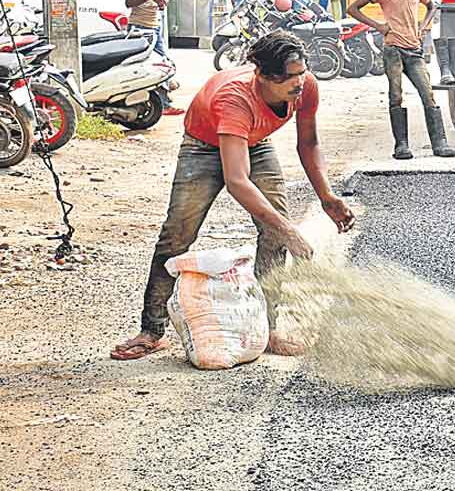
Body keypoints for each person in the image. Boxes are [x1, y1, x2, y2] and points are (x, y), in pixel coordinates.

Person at [109, 31, 356, 361]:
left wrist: (326, 197)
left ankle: (266, 331)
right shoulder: (235, 99)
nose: (299, 84)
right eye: (289, 78)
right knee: (176, 236)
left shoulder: (305, 85)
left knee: (274, 235)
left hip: (256, 143)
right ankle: (151, 331)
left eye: (301, 74)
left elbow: (308, 143)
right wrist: (290, 229)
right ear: (263, 76)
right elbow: (237, 181)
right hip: (203, 146)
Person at [346, 0, 455, 160]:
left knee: (428, 95)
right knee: (396, 96)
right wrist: (378, 26)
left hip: (414, 49)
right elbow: (353, 8)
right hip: (393, 49)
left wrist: (425, 26)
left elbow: (432, 6)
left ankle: (440, 143)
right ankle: (402, 145)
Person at [126, 0, 184, 116]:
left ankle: (163, 99)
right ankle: (161, 103)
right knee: (156, 63)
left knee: (164, 63)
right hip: (140, 27)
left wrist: (158, 1)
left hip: (155, 25)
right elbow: (129, 2)